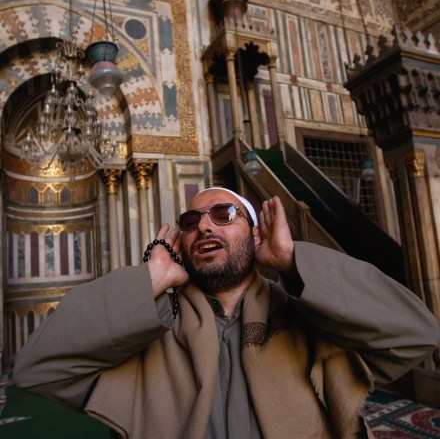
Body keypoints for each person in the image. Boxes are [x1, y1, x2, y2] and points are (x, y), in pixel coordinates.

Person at [13, 187, 440, 439]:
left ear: (255, 237)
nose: (204, 225)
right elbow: (37, 369)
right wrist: (152, 280)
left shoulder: (309, 318)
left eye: (224, 214)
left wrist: (292, 261)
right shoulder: (152, 329)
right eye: (190, 220)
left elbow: (416, 333)